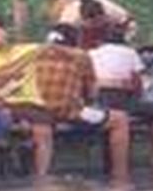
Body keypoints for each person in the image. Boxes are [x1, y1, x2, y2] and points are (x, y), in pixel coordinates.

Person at [0, 16, 54, 177]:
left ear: (5, 32)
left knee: (43, 132)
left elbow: (50, 46)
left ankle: (41, 176)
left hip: (29, 104)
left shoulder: (27, 50)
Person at [40, 25, 131, 177]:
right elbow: (91, 93)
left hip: (36, 111)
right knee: (120, 119)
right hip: (67, 112)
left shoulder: (34, 54)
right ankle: (120, 174)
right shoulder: (81, 56)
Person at [90, 29, 153, 166]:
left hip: (99, 99)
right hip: (121, 97)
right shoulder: (130, 52)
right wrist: (138, 96)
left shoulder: (92, 53)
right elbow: (137, 81)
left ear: (102, 41)